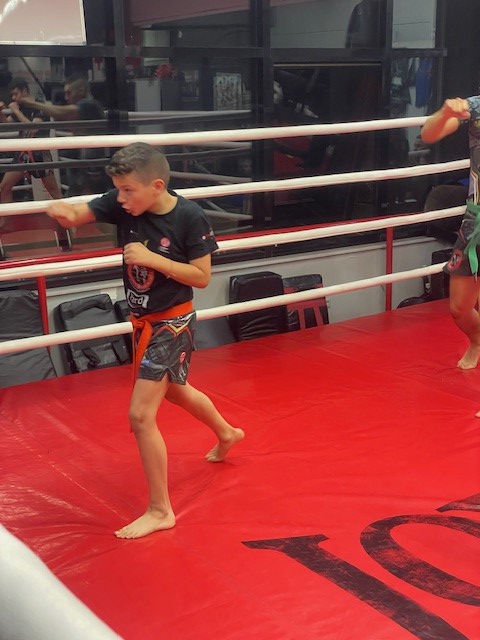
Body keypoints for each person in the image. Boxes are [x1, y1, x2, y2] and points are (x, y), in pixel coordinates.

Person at [46, 142, 245, 539]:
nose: (120, 199)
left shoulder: (188, 216)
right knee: (177, 392)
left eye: (128, 191)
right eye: (117, 190)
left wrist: (152, 259)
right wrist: (65, 212)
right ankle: (227, 433)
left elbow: (202, 277)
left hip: (173, 324)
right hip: (142, 323)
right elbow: (81, 213)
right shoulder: (124, 203)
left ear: (156, 186)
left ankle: (160, 510)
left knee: (140, 415)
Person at [421, 95, 480, 369]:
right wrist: (446, 113)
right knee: (459, 307)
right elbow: (428, 134)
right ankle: (477, 340)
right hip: (476, 220)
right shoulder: (476, 106)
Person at [17, 75, 109, 196]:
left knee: (82, 199)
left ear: (81, 90)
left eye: (69, 93)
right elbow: (62, 117)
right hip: (86, 164)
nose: (66, 98)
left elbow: (61, 112)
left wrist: (33, 104)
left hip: (94, 166)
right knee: (75, 199)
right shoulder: (84, 109)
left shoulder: (89, 104)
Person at [0, 77, 62, 204]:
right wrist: (0, 112)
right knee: (4, 187)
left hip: (40, 153)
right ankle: (6, 216)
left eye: (16, 94)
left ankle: (70, 215)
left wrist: (16, 111)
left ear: (24, 91)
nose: (13, 98)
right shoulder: (21, 108)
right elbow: (7, 125)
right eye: (12, 95)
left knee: (53, 190)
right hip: (23, 153)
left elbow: (33, 129)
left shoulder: (39, 105)